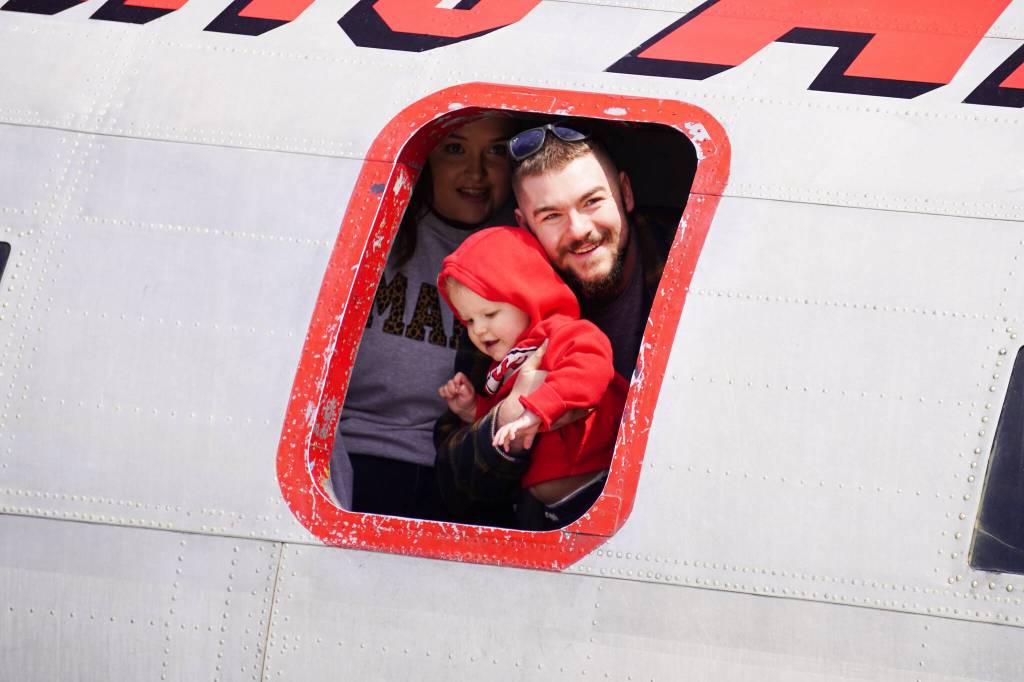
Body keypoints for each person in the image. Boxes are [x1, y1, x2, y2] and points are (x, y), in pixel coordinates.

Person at [434, 123, 673, 528]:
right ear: (524, 226)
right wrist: (508, 415)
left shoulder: (690, 269)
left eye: (593, 201)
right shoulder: (503, 306)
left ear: (625, 194)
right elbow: (454, 487)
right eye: (551, 216)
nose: (579, 230)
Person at [331, 114, 515, 518]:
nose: (476, 172)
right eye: (455, 149)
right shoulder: (376, 232)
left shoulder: (526, 252)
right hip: (351, 457)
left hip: (455, 473)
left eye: (496, 151)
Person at [436, 227, 629, 529]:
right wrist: (475, 410)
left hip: (592, 489)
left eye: (490, 314)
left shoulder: (563, 334)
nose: (479, 330)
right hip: (551, 508)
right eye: (469, 320)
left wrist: (541, 407)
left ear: (528, 297)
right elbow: (511, 420)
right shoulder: (506, 365)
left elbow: (590, 370)